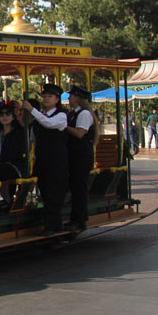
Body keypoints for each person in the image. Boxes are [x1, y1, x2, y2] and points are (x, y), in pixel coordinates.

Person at [21, 83, 68, 234]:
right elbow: (33, 139)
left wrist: (31, 110)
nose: (46, 99)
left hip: (56, 161)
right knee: (45, 193)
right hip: (42, 161)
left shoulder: (60, 115)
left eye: (50, 96)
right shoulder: (40, 116)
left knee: (54, 194)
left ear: (57, 99)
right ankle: (50, 225)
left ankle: (54, 226)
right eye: (45, 96)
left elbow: (49, 124)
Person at [66, 85, 96, 233]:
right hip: (75, 154)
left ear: (78, 98)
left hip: (81, 156)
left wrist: (63, 126)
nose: (69, 98)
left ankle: (79, 220)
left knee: (79, 188)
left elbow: (79, 133)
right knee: (75, 187)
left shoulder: (83, 114)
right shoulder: (73, 113)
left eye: (71, 96)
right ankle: (78, 218)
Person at [0, 101, 27, 209]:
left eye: (7, 114)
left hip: (14, 164)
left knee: (1, 171)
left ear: (13, 117)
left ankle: (7, 199)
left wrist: (2, 159)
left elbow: (18, 152)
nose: (4, 116)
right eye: (2, 114)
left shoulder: (18, 133)